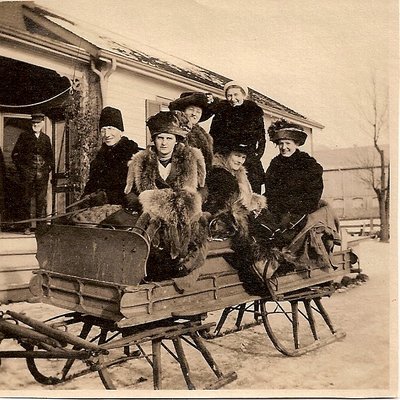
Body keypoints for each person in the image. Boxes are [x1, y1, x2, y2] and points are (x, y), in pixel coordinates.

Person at [124, 110, 208, 282]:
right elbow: (129, 192)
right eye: (160, 138)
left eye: (169, 138)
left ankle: (184, 274)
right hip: (151, 216)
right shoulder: (140, 161)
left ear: (176, 140)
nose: (164, 143)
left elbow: (203, 188)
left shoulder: (191, 158)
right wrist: (141, 202)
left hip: (183, 215)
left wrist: (192, 201)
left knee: (196, 240)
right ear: (153, 140)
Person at [263, 118, 324, 244]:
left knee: (284, 239)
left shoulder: (307, 164)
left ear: (296, 144)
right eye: (281, 144)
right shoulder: (275, 164)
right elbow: (270, 192)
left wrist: (294, 213)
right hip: (276, 213)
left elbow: (313, 195)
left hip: (300, 214)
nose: (284, 147)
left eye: (288, 143)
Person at [208, 81, 266, 193]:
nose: (232, 98)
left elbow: (261, 138)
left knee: (251, 187)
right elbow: (213, 135)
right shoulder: (221, 112)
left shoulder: (254, 112)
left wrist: (256, 156)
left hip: (248, 158)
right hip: (226, 157)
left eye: (236, 95)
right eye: (229, 95)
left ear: (243, 95)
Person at [81, 106, 139, 207]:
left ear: (121, 131)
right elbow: (92, 184)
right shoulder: (100, 157)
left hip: (123, 208)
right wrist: (85, 198)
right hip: (99, 207)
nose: (107, 134)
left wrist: (106, 196)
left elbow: (133, 190)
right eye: (103, 130)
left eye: (110, 129)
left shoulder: (132, 154)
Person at [12, 112, 54, 234]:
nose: (35, 125)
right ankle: (26, 226)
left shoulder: (46, 139)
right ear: (31, 124)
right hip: (27, 174)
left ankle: (41, 227)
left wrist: (47, 168)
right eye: (33, 123)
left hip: (42, 174)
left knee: (41, 200)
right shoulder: (24, 136)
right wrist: (23, 170)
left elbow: (50, 157)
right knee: (26, 199)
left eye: (38, 123)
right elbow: (15, 155)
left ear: (42, 123)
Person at [168, 91, 214, 170]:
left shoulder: (204, 135)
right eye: (191, 109)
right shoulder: (174, 128)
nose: (194, 114)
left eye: (198, 112)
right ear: (183, 111)